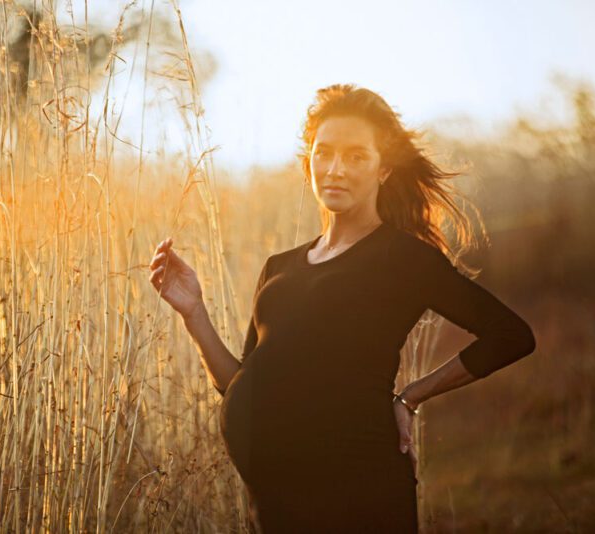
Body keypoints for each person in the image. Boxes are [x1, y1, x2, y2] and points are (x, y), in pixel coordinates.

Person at [147, 84, 536, 533]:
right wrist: (194, 314)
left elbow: (511, 335)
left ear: (384, 168)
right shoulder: (279, 267)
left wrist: (411, 397)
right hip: (274, 504)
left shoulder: (403, 258)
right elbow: (242, 385)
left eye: (356, 157)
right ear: (308, 161)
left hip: (359, 496)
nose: (335, 169)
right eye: (324, 153)